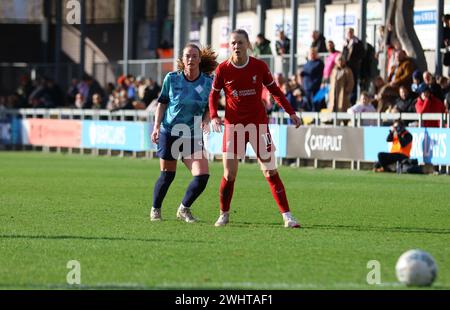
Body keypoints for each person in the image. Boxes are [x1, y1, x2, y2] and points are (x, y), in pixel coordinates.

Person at [209, 29, 302, 228]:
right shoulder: (223, 69)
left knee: (270, 171)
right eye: (233, 43)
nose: (236, 46)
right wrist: (215, 115)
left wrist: (291, 112)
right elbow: (213, 95)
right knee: (229, 174)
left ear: (248, 44)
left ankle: (287, 216)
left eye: (240, 42)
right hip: (233, 126)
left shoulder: (259, 66)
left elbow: (275, 91)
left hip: (258, 125)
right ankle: (224, 214)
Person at [150, 44, 218, 222]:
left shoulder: (208, 82)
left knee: (202, 176)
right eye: (187, 56)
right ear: (182, 59)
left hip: (192, 134)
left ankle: (183, 209)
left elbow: (210, 108)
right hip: (170, 131)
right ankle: (156, 209)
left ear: (199, 59)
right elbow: (162, 103)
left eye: (194, 56)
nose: (191, 59)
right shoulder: (171, 79)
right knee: (167, 175)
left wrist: (206, 119)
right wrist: (156, 126)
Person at [299, 47, 324, 111]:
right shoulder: (307, 63)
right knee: (308, 105)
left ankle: (316, 119)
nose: (311, 55)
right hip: (306, 87)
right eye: (310, 53)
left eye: (313, 53)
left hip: (315, 87)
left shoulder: (319, 63)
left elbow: (314, 73)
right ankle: (312, 119)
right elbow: (303, 73)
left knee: (315, 105)